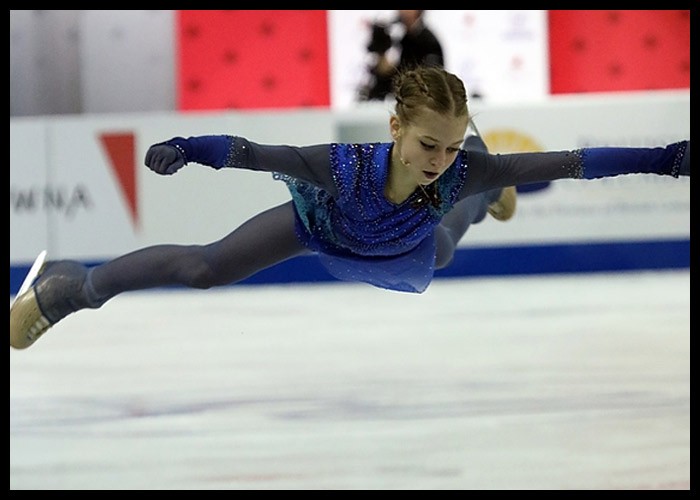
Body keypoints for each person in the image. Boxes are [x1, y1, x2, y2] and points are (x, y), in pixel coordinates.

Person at [10, 66, 690, 350]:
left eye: (453, 147)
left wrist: (663, 158)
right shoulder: (338, 168)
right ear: (395, 129)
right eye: (430, 144)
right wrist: (190, 146)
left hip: (406, 240)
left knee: (448, 238)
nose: (440, 158)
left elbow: (577, 165)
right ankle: (74, 287)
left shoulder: (463, 167)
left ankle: (486, 204)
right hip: (319, 224)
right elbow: (255, 150)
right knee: (204, 268)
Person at [359, 10, 444, 101]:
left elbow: (432, 78)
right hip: (390, 99)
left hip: (418, 101)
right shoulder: (395, 36)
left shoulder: (428, 42)